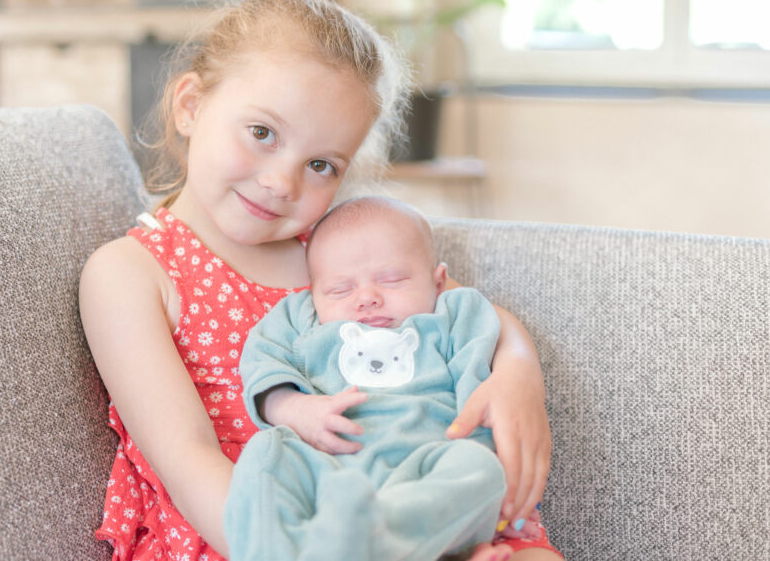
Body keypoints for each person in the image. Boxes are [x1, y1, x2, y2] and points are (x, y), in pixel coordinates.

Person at [79, 0, 558, 560]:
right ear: (190, 105)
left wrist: (518, 375)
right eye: (261, 133)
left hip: (401, 502)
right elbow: (187, 458)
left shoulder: (333, 248)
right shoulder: (131, 273)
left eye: (320, 164)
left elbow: (469, 312)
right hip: (258, 527)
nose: (283, 183)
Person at [225, 196, 560, 561]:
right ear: (312, 294)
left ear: (438, 282)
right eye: (340, 289)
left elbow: (482, 399)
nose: (367, 298)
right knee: (267, 453)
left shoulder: (454, 316)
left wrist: (506, 503)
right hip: (330, 470)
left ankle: (378, 544)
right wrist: (295, 408)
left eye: (393, 279)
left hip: (427, 468)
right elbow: (262, 366)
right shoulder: (298, 318)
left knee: (477, 467)